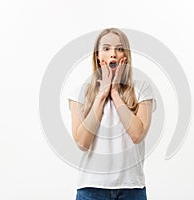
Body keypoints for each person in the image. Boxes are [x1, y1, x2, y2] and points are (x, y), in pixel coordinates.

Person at [67, 28, 156, 200]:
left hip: (132, 188)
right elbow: (82, 142)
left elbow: (137, 134)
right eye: (106, 49)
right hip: (91, 189)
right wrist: (102, 94)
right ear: (98, 57)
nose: (113, 54)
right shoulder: (79, 93)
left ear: (126, 57)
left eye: (119, 48)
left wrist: (115, 93)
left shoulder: (142, 89)